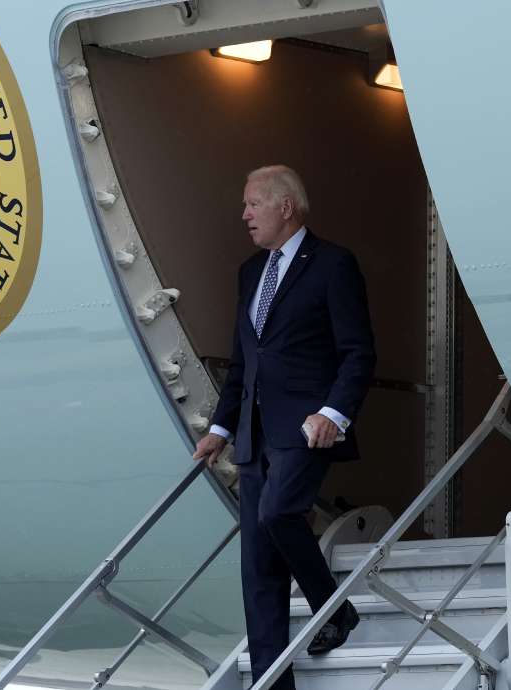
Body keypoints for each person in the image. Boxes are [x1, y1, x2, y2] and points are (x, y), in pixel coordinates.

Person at [192, 165, 376, 689]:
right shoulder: (250, 271)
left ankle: (334, 611)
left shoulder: (333, 265)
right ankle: (274, 684)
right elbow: (242, 359)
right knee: (258, 570)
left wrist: (334, 413)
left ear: (285, 207)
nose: (244, 214)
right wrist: (221, 428)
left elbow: (358, 352)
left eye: (253, 204)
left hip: (305, 428)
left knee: (279, 513)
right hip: (252, 433)